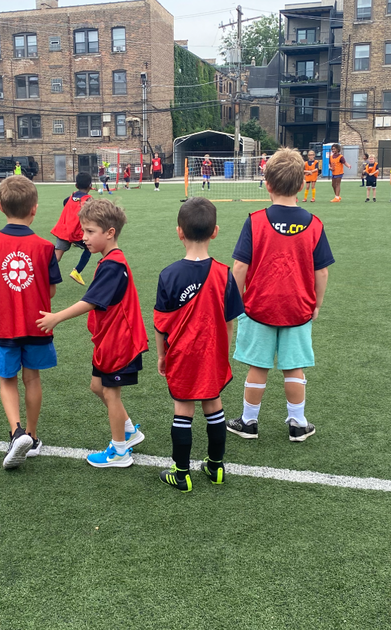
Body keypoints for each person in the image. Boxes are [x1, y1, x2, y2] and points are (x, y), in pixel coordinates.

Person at [226, 148, 334, 443]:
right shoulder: (314, 225)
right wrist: (317, 304)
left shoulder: (256, 221)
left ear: (268, 184)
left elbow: (239, 266)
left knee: (258, 366)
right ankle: (298, 423)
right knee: (293, 367)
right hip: (298, 307)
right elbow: (321, 272)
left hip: (258, 306)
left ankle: (249, 421)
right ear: (302, 185)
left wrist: (234, 301)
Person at [37, 199, 149, 468]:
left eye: (89, 232)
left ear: (110, 233)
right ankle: (130, 431)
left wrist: (56, 318)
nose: (83, 238)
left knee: (110, 393)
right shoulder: (108, 261)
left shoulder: (113, 265)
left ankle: (120, 452)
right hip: (109, 338)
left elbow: (90, 301)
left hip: (120, 341)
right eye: (83, 231)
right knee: (97, 386)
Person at [0, 176, 62, 469]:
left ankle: (16, 432)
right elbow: (50, 290)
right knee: (32, 378)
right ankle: (32, 437)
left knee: (7, 379)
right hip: (37, 325)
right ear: (34, 209)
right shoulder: (46, 247)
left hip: (5, 325)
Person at [154, 198, 244, 491]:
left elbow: (160, 323)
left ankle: (181, 473)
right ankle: (216, 467)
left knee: (183, 409)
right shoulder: (225, 274)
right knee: (213, 405)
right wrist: (225, 351)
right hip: (212, 353)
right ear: (215, 231)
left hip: (181, 353)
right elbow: (231, 321)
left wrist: (161, 356)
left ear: (179, 232)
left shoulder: (168, 275)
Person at [52, 172, 94, 286]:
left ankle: (44, 274)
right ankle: (77, 271)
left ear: (76, 185)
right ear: (90, 186)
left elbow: (65, 202)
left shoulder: (71, 197)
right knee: (89, 248)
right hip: (77, 233)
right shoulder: (89, 200)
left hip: (64, 230)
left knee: (57, 255)